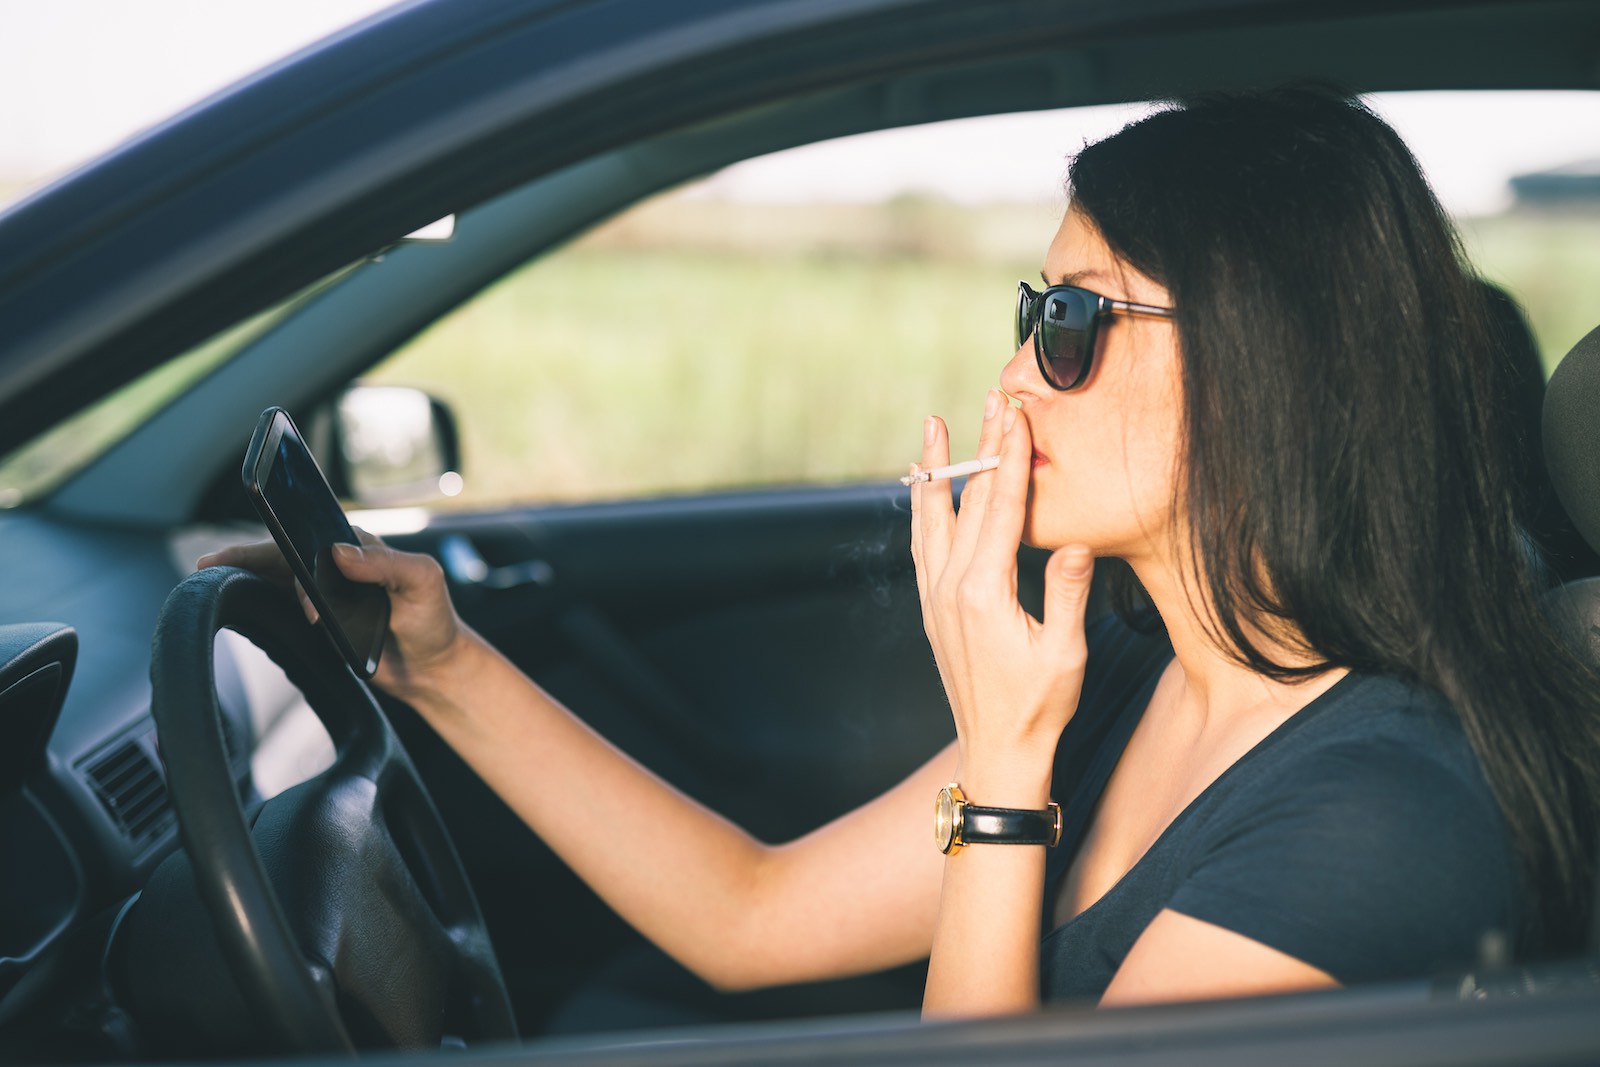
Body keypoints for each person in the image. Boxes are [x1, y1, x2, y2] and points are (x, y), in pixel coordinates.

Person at [201, 87, 1600, 1017]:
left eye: (1074, 324)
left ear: (1270, 368)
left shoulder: (1389, 821)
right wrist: (440, 664)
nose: (1013, 378)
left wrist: (1004, 768)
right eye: (1028, 310)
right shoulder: (1135, 658)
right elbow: (750, 914)